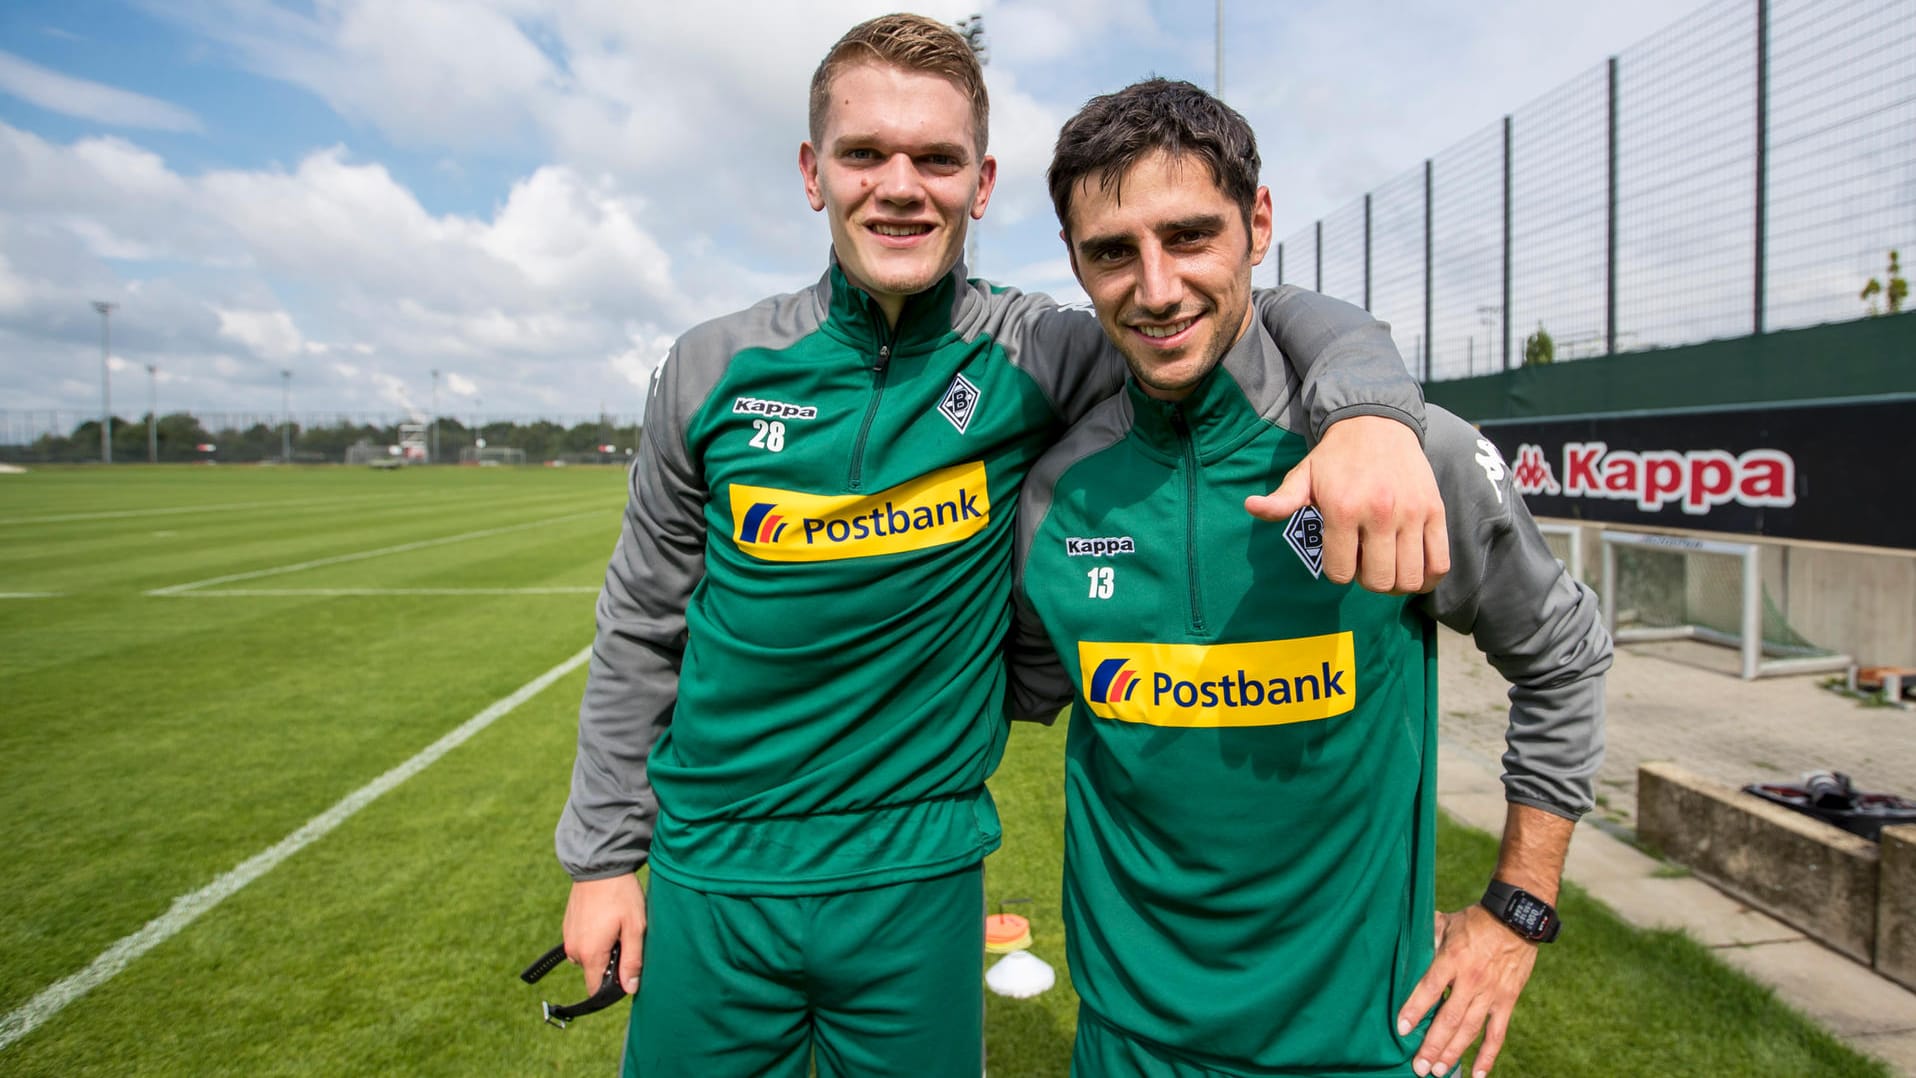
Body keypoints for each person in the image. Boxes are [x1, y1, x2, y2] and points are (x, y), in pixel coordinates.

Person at [556, 15, 1448, 1077]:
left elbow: (1223, 307)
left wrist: (1365, 408)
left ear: (979, 184)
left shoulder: (1044, 351)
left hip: (918, 875)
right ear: (811, 172)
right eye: (863, 154)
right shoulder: (711, 369)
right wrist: (606, 857)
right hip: (713, 867)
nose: (899, 185)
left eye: (935, 159)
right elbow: (641, 627)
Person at [1007, 78, 1611, 1078]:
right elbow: (1014, 687)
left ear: (1258, 223)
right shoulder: (1055, 494)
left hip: (1365, 1043)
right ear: (1075, 261)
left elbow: (1562, 652)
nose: (1154, 289)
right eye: (1111, 251)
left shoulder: (1402, 455)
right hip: (1125, 1045)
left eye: (1190, 236)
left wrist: (1516, 905)